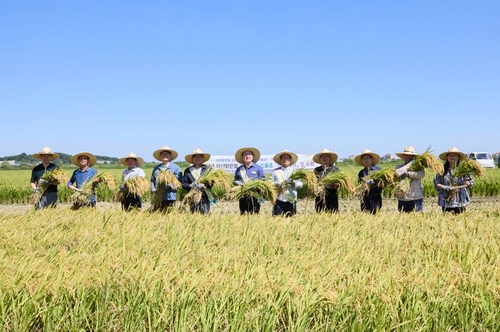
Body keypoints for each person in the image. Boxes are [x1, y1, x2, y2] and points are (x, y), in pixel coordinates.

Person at [433, 147, 474, 214]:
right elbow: (436, 183)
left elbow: (471, 182)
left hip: (460, 199)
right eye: (450, 155)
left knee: (460, 220)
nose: (452, 157)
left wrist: (466, 183)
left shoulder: (464, 170)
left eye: (454, 155)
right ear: (447, 157)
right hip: (446, 199)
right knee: (447, 219)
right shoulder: (442, 170)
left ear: (458, 157)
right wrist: (445, 187)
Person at [269, 150, 303, 217]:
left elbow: (300, 184)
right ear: (280, 160)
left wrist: (294, 183)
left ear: (290, 159)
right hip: (279, 199)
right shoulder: (275, 171)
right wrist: (277, 184)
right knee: (277, 220)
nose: (285, 159)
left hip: (291, 199)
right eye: (283, 158)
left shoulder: (295, 172)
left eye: (287, 158)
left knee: (291, 221)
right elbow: (269, 183)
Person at [233, 147, 265, 214]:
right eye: (245, 154)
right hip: (243, 196)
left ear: (253, 156)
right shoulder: (239, 169)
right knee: (243, 214)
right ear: (242, 157)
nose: (247, 156)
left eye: (249, 154)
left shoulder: (258, 168)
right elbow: (234, 181)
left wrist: (257, 184)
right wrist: (238, 183)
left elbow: (263, 180)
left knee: (255, 214)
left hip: (255, 195)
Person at [150, 146, 183, 212]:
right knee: (158, 214)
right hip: (158, 197)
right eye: (163, 154)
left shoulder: (176, 168)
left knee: (169, 214)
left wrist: (169, 186)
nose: (165, 155)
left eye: (167, 154)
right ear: (160, 156)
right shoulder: (156, 168)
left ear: (170, 156)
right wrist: (153, 189)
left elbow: (179, 183)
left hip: (170, 196)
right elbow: (152, 181)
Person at [394, 146, 425, 212]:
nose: (407, 157)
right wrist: (408, 165)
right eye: (406, 155)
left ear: (413, 157)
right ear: (403, 156)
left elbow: (421, 174)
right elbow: (398, 173)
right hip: (403, 198)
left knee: (417, 218)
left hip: (415, 197)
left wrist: (409, 174)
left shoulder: (419, 167)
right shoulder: (399, 167)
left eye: (410, 156)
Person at [182, 148, 213, 214]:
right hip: (193, 197)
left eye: (199, 156)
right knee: (194, 214)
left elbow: (212, 183)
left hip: (205, 196)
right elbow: (184, 184)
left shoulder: (207, 169)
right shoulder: (188, 171)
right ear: (192, 159)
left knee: (205, 214)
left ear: (202, 158)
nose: (197, 158)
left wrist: (204, 185)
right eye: (195, 157)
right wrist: (190, 185)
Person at [355, 149, 382, 214]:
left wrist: (374, 183)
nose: (366, 160)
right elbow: (359, 185)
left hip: (375, 197)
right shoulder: (361, 173)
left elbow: (384, 184)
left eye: (367, 157)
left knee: (375, 216)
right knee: (365, 217)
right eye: (364, 158)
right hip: (364, 198)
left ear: (371, 159)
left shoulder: (378, 171)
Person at [313, 148, 340, 213]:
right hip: (320, 198)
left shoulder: (335, 169)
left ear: (330, 158)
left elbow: (339, 184)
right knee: (319, 217)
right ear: (320, 159)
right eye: (322, 156)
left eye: (327, 156)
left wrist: (329, 185)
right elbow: (313, 183)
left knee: (333, 216)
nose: (325, 158)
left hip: (332, 197)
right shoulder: (317, 170)